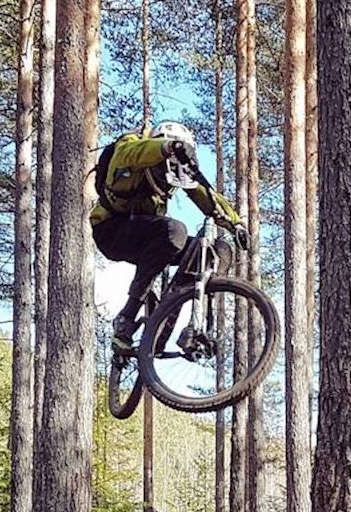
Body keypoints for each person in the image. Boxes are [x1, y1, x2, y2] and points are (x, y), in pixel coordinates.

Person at [91, 121, 251, 353]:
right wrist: (167, 147)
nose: (165, 180)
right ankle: (126, 317)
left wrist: (235, 224)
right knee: (175, 231)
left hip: (149, 234)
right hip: (111, 231)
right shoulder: (129, 147)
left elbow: (205, 195)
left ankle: (174, 322)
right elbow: (132, 153)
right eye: (162, 170)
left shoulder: (174, 172)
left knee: (216, 251)